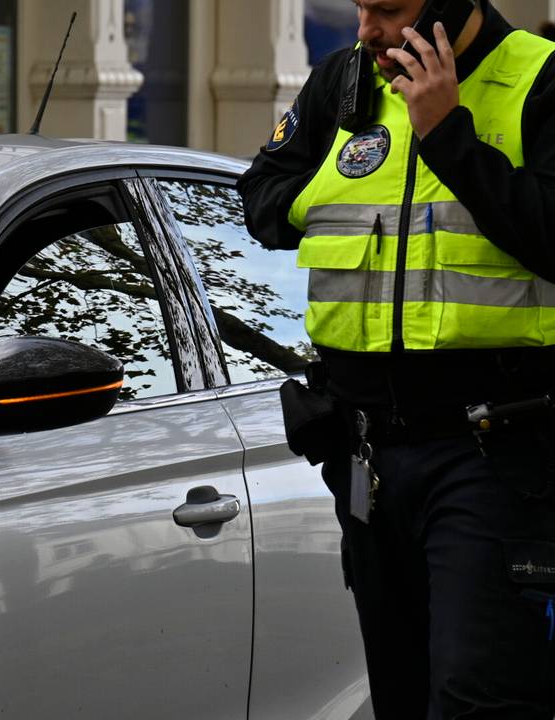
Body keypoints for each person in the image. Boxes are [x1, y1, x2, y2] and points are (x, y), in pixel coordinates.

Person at [237, 0, 555, 717]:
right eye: (359, 7)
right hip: (368, 456)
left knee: (477, 694)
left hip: (492, 456)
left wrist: (448, 136)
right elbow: (260, 196)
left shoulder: (540, 79)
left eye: (389, 9)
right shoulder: (344, 82)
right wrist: (332, 190)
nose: (366, 31)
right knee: (400, 694)